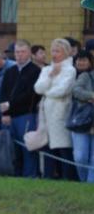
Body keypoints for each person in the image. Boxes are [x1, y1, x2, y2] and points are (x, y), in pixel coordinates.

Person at [34, 38, 77, 180]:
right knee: (48, 146)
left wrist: (47, 91)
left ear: (65, 52)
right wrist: (51, 76)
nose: (54, 54)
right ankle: (49, 176)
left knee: (63, 146)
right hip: (46, 112)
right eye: (52, 50)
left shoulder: (70, 70)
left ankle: (68, 178)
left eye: (57, 51)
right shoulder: (47, 69)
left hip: (61, 111)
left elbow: (62, 90)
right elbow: (38, 88)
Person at [0, 40, 42, 178]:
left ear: (29, 53)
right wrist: (5, 112)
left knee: (27, 148)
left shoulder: (35, 71)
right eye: (17, 52)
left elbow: (31, 94)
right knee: (12, 149)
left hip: (26, 115)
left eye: (23, 52)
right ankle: (15, 176)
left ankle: (30, 176)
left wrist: (10, 105)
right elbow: (3, 92)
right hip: (9, 117)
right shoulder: (9, 71)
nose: (19, 55)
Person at [71, 52, 94, 182]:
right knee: (80, 156)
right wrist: (91, 96)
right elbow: (76, 91)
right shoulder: (86, 76)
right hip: (82, 121)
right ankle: (84, 181)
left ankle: (90, 185)